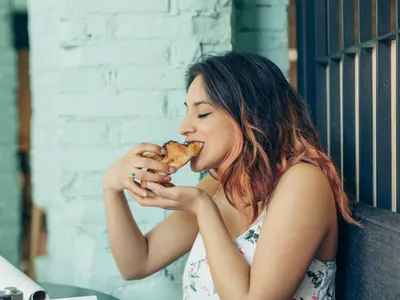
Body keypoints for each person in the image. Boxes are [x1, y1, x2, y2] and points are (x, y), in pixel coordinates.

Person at [102, 51, 360, 300]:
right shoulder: (217, 186)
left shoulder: (303, 182)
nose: (183, 128)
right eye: (186, 111)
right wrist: (111, 189)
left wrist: (202, 208)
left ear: (250, 114)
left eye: (202, 113)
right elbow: (137, 263)